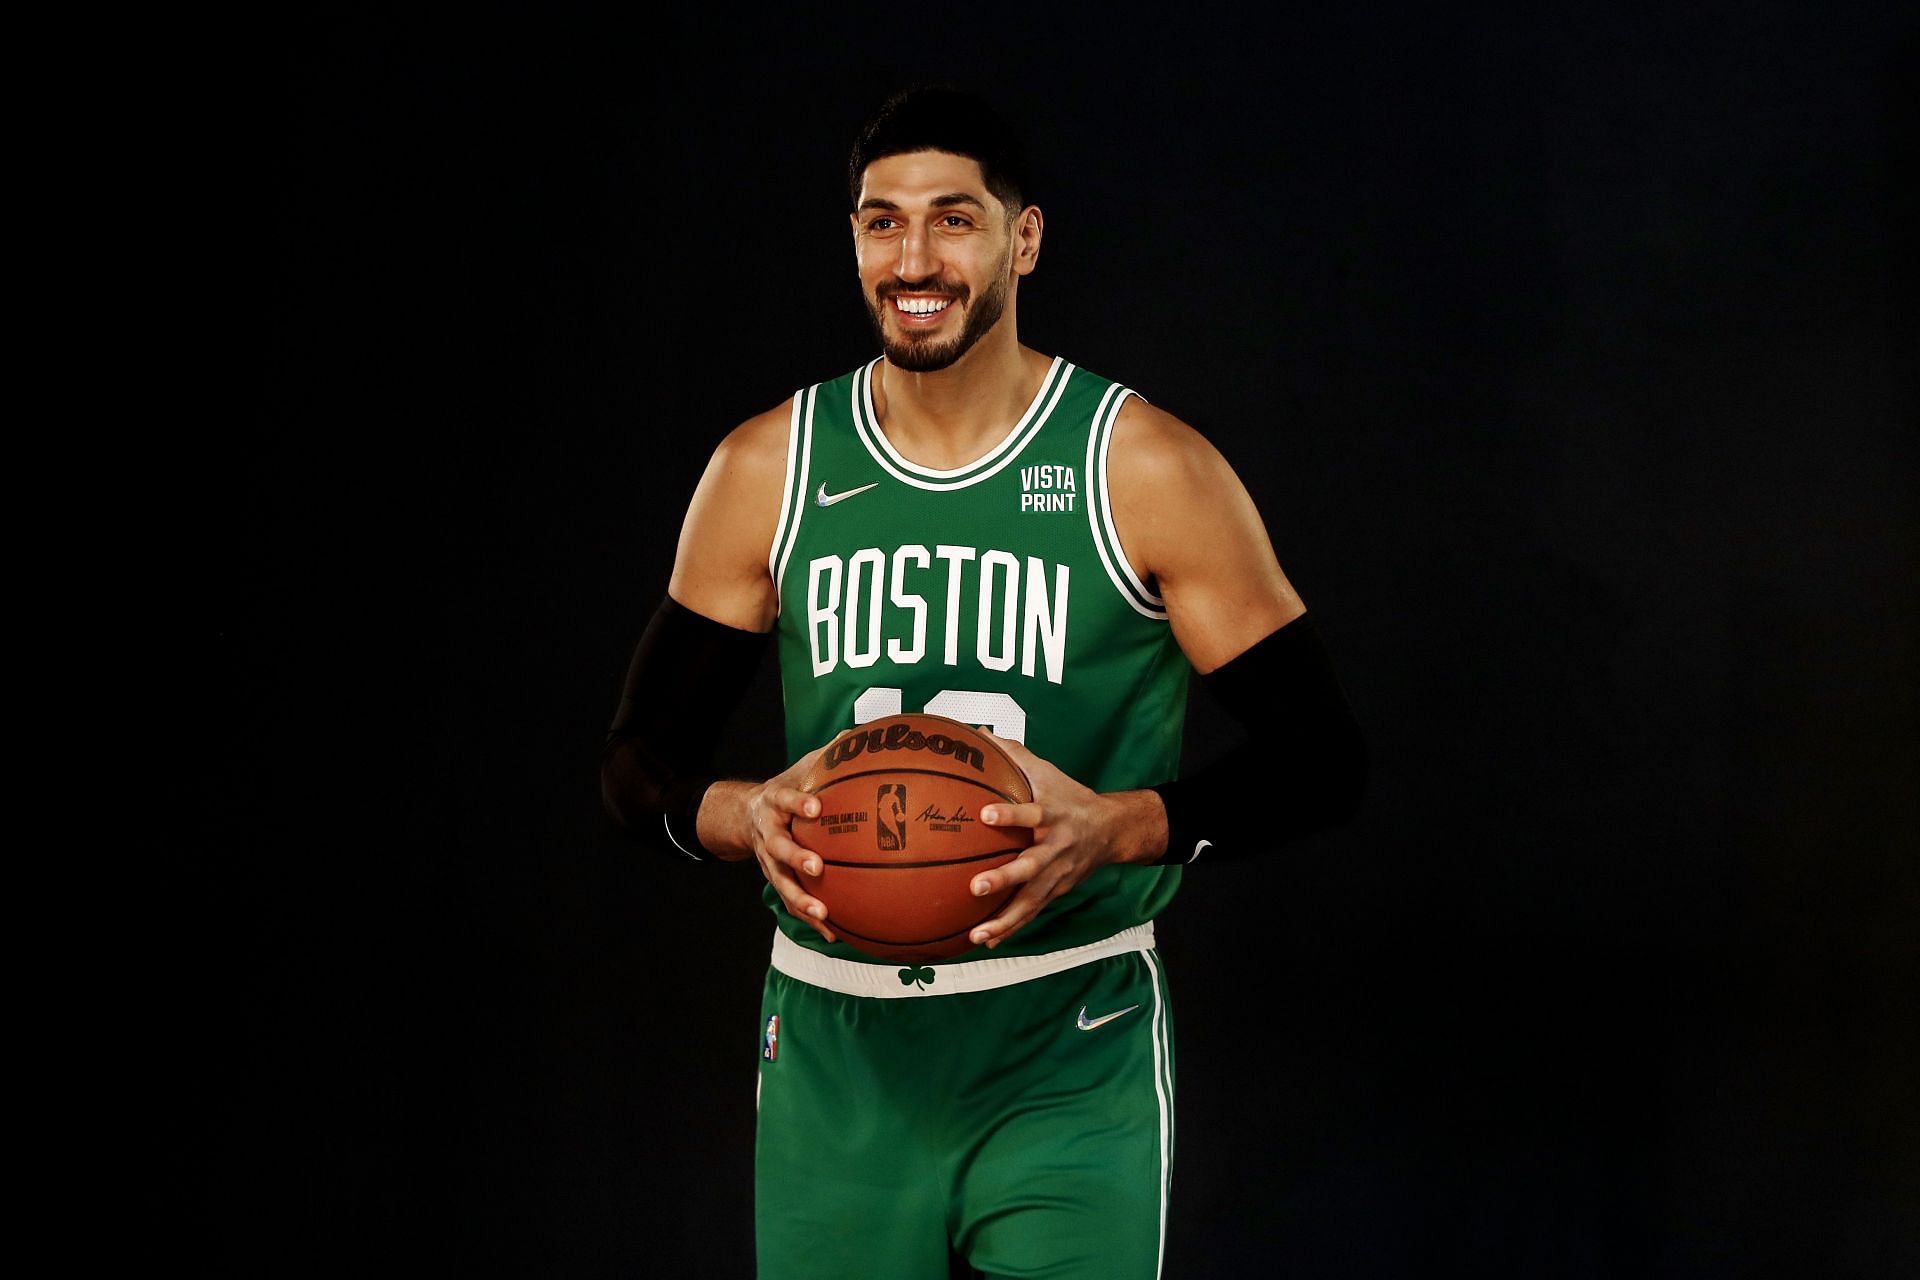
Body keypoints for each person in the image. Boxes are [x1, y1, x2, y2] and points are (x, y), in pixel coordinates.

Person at [603, 85, 1365, 1280]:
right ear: (854, 238)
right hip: (835, 1049)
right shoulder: (769, 467)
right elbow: (634, 763)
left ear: (1024, 238)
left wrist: (1117, 826)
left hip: (1068, 1036)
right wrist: (740, 814)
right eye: (881, 222)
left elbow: (1324, 759)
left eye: (954, 219)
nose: (915, 258)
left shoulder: (1143, 466)